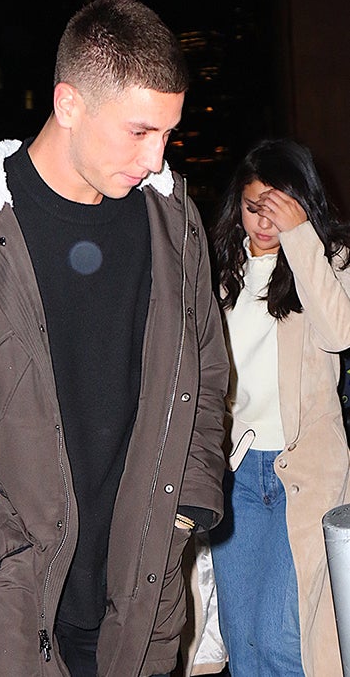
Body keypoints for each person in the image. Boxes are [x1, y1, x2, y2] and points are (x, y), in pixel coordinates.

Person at [0, 0, 229, 677]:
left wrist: (182, 510)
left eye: (167, 135)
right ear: (68, 104)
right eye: (139, 131)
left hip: (138, 608)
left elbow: (207, 372)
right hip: (8, 615)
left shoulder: (173, 225)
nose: (156, 158)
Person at [208, 137, 350, 676]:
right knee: (243, 641)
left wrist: (299, 236)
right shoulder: (221, 270)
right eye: (254, 207)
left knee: (285, 638)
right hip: (238, 473)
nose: (264, 222)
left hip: (304, 473)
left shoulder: (331, 260)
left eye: (279, 208)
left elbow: (338, 332)